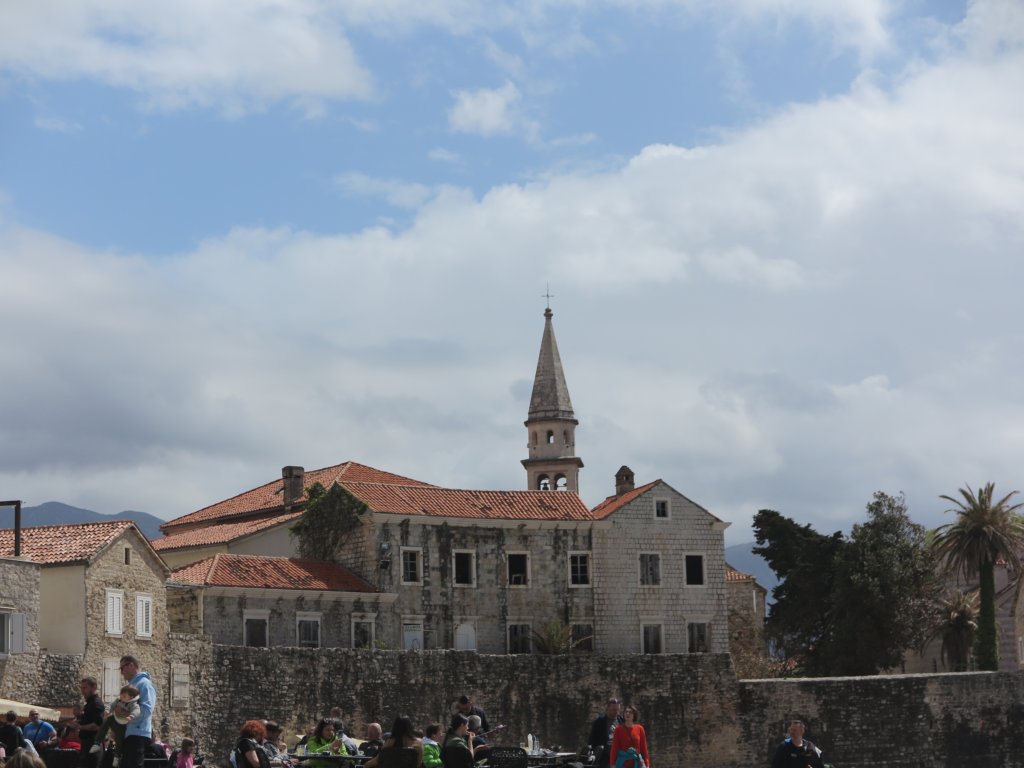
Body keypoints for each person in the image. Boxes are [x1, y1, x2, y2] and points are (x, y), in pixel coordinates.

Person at [90, 685, 142, 768]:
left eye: (124, 696)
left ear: (131, 697)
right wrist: (108, 710)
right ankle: (97, 743)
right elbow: (111, 705)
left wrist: (131, 716)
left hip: (123, 724)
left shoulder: (133, 704)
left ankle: (117, 757)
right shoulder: (118, 700)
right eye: (121, 694)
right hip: (115, 719)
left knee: (119, 740)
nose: (121, 697)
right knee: (106, 722)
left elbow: (137, 711)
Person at [118, 655, 156, 768]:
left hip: (138, 733)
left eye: (122, 668)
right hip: (131, 733)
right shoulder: (132, 686)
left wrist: (126, 715)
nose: (121, 672)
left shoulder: (144, 684)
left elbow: (147, 710)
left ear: (131, 665)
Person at [587, 698, 622, 768]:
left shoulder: (621, 721)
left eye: (618, 709)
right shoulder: (599, 722)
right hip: (604, 759)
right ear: (608, 708)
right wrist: (591, 752)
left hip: (618, 758)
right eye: (614, 709)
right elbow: (592, 739)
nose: (616, 712)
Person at [78, 677, 106, 762]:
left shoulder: (96, 704)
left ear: (94, 687)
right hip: (87, 743)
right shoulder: (89, 703)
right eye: (82, 688)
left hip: (93, 744)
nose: (82, 691)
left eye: (85, 688)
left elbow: (97, 726)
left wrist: (79, 727)